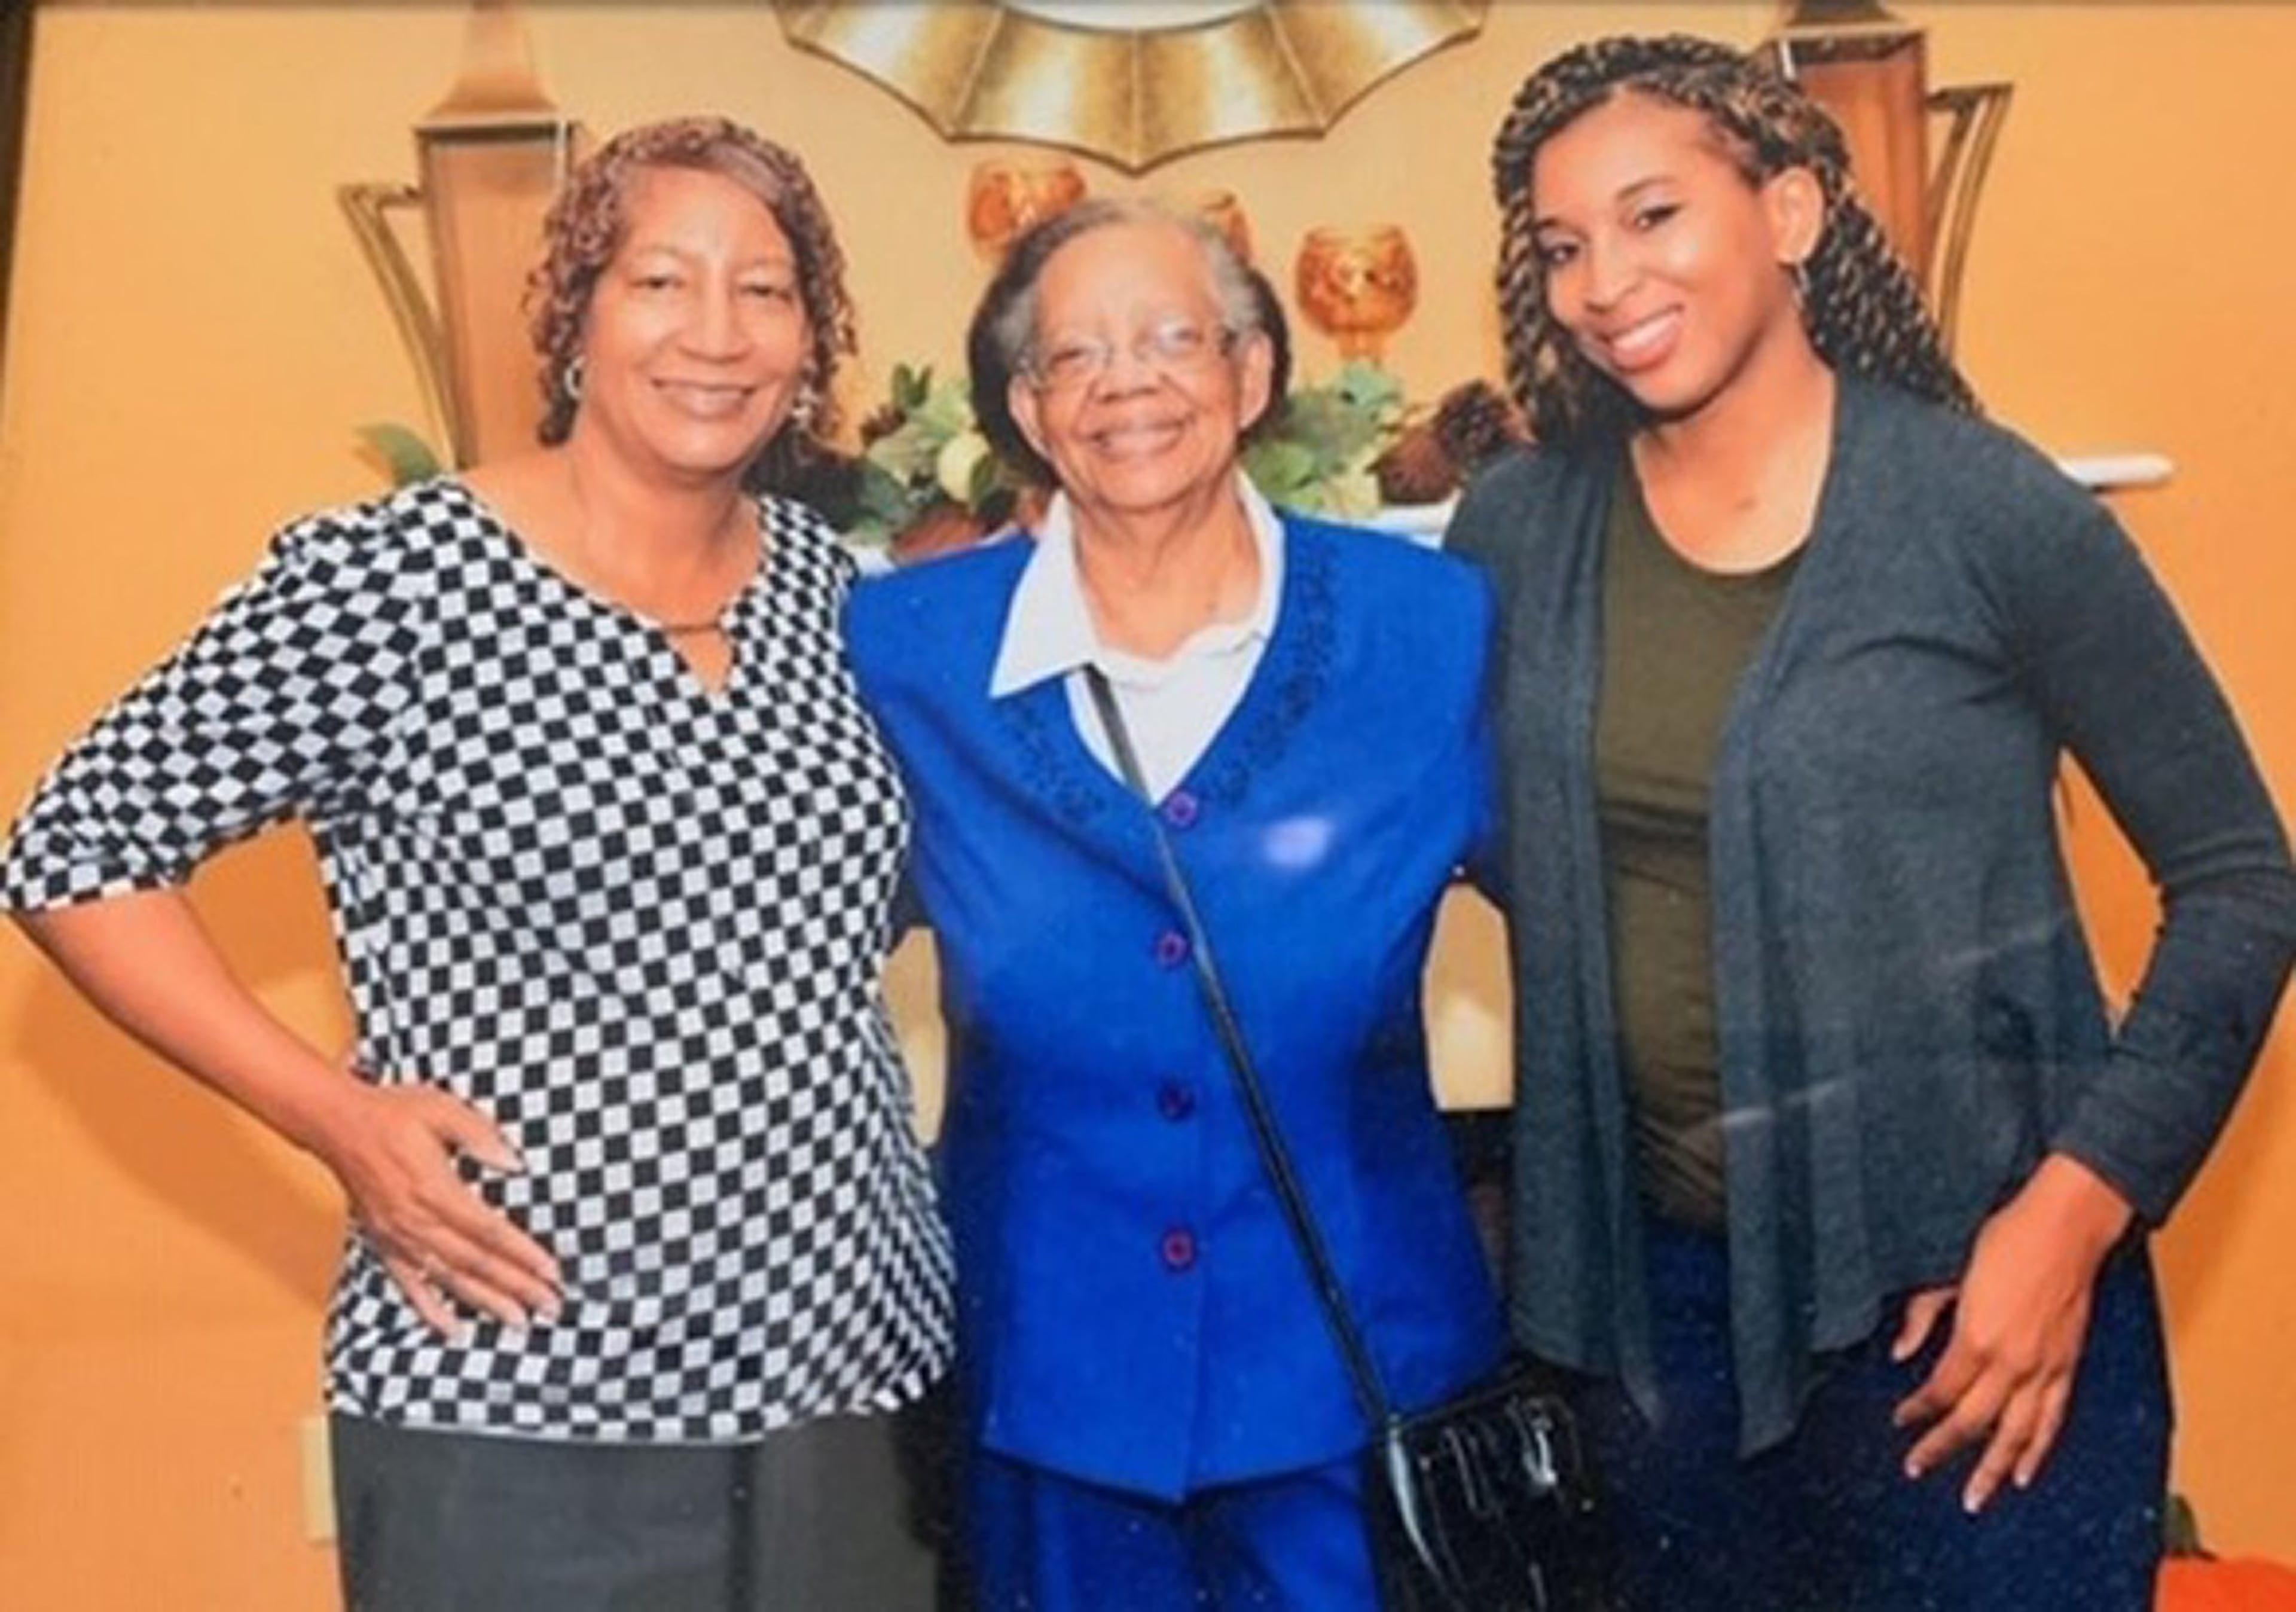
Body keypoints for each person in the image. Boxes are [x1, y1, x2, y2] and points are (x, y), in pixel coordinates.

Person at [0, 116, 952, 1611]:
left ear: (811, 342)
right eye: (661, 281)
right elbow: (73, 845)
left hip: (853, 1381)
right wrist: (337, 1117)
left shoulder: (853, 604)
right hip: (515, 1399)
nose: (716, 332)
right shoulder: (393, 582)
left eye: (765, 291)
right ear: (574, 317)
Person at [1447, 33, 2296, 1611]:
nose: (1600, 281)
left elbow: (2241, 881)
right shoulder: (1517, 528)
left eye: (1651, 217)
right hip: (1655, 1323)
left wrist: (2068, 1223)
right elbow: (1498, 838)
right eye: (1562, 247)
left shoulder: (1988, 510)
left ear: (1786, 211)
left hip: (1967, 1304)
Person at [843, 197, 1504, 1610]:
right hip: (1051, 1398)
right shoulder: (908, 654)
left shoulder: (1430, 629)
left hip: (1356, 1381)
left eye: (1168, 339)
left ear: (1253, 372)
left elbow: (1598, 916)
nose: (1125, 383)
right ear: (1026, 409)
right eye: (1073, 357)